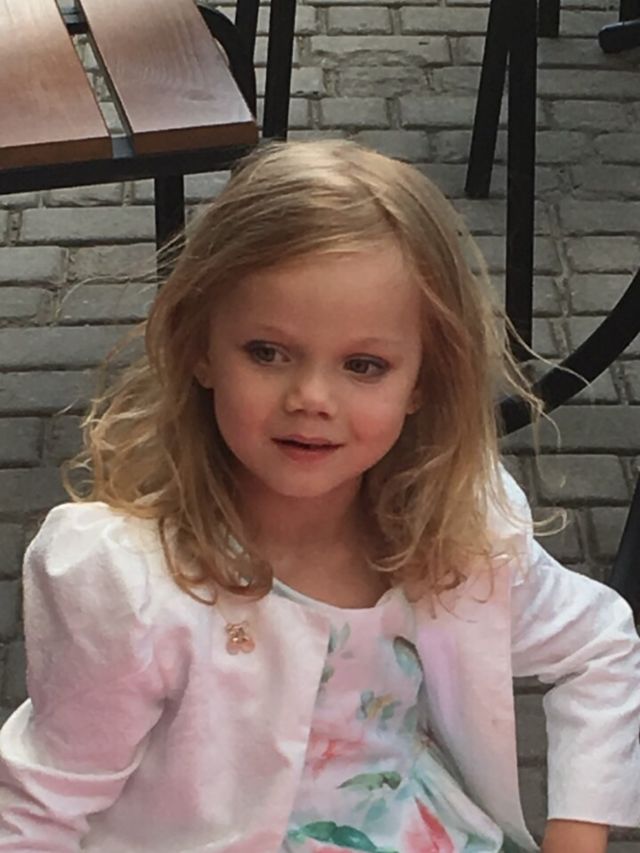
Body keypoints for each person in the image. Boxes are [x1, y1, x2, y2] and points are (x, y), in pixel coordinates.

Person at [0, 140, 638, 853]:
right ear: (198, 346)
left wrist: (577, 832)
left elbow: (598, 645)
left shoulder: (454, 527)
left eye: (364, 365)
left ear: (424, 380)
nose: (311, 398)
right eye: (267, 352)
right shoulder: (128, 582)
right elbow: (41, 807)